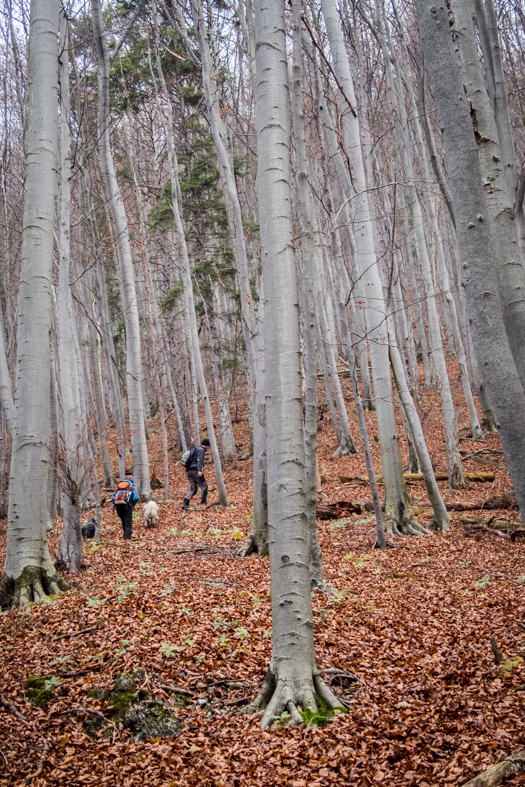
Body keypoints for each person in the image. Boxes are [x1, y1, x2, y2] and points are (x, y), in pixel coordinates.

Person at [182, 438, 209, 510]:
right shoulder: (201, 450)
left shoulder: (196, 449)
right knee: (204, 486)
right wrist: (199, 471)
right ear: (206, 445)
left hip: (188, 471)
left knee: (193, 489)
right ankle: (203, 504)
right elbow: (199, 460)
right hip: (195, 470)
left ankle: (185, 503)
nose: (209, 448)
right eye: (209, 446)